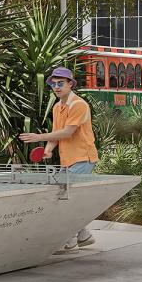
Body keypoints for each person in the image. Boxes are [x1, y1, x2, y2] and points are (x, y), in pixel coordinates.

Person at [20, 67, 99, 251]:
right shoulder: (57, 107)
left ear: (70, 84)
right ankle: (84, 235)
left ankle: (69, 240)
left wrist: (39, 138)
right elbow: (57, 133)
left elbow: (68, 132)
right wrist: (48, 150)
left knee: (64, 198)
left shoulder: (79, 105)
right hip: (68, 160)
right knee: (68, 198)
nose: (56, 87)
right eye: (53, 84)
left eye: (60, 83)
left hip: (83, 158)